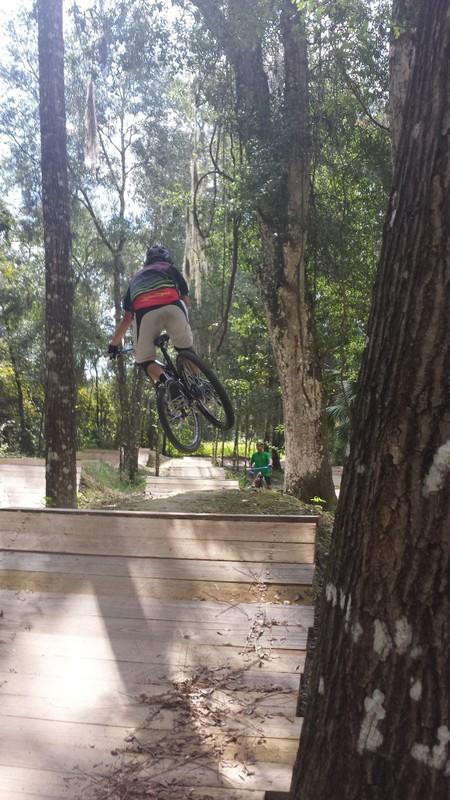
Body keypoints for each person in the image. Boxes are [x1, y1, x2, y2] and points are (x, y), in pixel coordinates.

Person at [108, 244, 194, 390]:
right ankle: (196, 384)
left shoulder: (135, 279)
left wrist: (113, 345)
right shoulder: (170, 268)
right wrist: (185, 322)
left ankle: (167, 381)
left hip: (146, 315)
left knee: (145, 361)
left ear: (147, 262)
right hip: (174, 308)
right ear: (166, 259)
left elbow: (128, 318)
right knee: (187, 352)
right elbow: (185, 299)